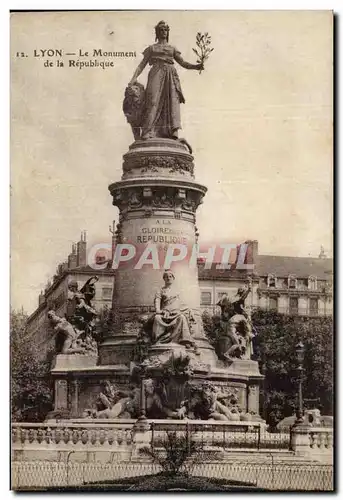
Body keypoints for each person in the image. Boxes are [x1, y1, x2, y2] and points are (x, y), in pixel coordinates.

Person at [128, 20, 203, 140]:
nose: (163, 32)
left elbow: (183, 63)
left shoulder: (172, 49)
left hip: (170, 75)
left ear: (168, 32)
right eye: (161, 30)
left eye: (165, 30)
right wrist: (133, 78)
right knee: (152, 101)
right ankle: (147, 131)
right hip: (156, 72)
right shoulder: (152, 49)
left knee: (172, 102)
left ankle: (172, 132)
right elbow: (142, 65)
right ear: (157, 33)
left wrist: (196, 66)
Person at [152, 270, 195, 348]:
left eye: (170, 276)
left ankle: (184, 340)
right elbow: (157, 300)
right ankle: (158, 340)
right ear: (164, 278)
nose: (168, 278)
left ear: (173, 278)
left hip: (175, 313)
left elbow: (182, 303)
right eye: (166, 277)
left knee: (182, 317)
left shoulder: (177, 291)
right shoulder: (160, 290)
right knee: (157, 318)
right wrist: (158, 310)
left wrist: (189, 310)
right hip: (165, 313)